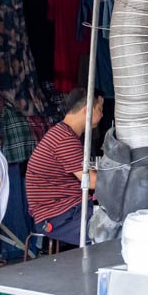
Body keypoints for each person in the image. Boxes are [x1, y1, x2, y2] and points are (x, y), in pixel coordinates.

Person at [25, 88, 102, 247]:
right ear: (87, 110)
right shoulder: (64, 139)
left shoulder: (64, 133)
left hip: (68, 208)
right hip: (59, 215)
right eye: (100, 109)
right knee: (112, 231)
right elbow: (92, 181)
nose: (102, 115)